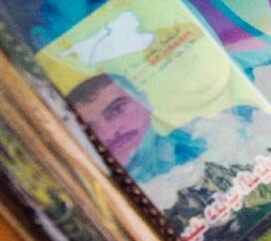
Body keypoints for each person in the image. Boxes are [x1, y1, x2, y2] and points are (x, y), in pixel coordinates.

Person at [67, 73, 203, 183]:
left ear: (143, 100)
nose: (106, 134)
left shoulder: (205, 139)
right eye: (88, 131)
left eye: (117, 109)